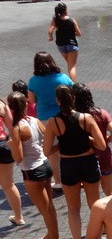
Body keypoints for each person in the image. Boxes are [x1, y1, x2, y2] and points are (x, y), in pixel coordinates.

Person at [42, 85, 105, 239]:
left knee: (73, 209)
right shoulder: (86, 118)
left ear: (58, 100)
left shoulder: (53, 122)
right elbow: (101, 145)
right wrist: (86, 138)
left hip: (68, 165)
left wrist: (61, 144)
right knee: (95, 204)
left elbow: (47, 151)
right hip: (88, 162)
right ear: (73, 98)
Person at [7, 92, 61, 239]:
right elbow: (48, 137)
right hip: (45, 165)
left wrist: (12, 146)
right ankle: (51, 235)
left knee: (45, 208)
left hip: (32, 171)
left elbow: (18, 158)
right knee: (49, 205)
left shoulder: (16, 128)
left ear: (11, 108)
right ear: (25, 105)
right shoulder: (35, 120)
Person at [28, 52, 73, 188]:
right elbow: (73, 93)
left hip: (44, 119)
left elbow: (32, 100)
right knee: (68, 147)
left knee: (52, 152)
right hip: (64, 116)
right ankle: (73, 177)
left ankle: (58, 181)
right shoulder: (63, 78)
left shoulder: (33, 81)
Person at [72, 82, 112, 197]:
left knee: (93, 195)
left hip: (87, 161)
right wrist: (104, 141)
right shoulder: (101, 113)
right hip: (105, 158)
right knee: (109, 190)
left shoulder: (75, 118)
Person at [0, 96, 25, 227]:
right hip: (4, 146)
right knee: (9, 184)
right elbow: (11, 127)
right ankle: (19, 217)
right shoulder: (1, 104)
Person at [48, 2, 81, 82]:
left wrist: (51, 37)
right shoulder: (71, 20)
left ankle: (71, 81)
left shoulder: (55, 20)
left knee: (69, 64)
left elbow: (50, 30)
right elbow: (79, 34)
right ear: (65, 10)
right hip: (71, 44)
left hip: (61, 45)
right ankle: (73, 84)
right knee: (72, 67)